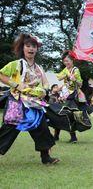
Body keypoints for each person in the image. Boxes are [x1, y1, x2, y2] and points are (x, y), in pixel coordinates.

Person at [0, 33, 59, 164]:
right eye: (28, 46)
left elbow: (45, 83)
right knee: (8, 130)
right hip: (17, 102)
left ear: (37, 49)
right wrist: (16, 84)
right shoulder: (16, 64)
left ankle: (46, 158)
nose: (31, 49)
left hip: (34, 103)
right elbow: (1, 75)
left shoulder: (39, 68)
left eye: (34, 46)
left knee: (42, 127)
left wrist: (45, 90)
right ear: (23, 48)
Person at [52, 51, 91, 143]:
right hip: (64, 95)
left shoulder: (75, 70)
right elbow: (59, 77)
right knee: (58, 114)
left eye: (68, 61)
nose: (66, 63)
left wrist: (75, 80)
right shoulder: (65, 70)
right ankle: (56, 135)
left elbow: (80, 84)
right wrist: (66, 75)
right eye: (64, 61)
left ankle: (73, 137)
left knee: (70, 115)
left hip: (72, 96)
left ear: (72, 61)